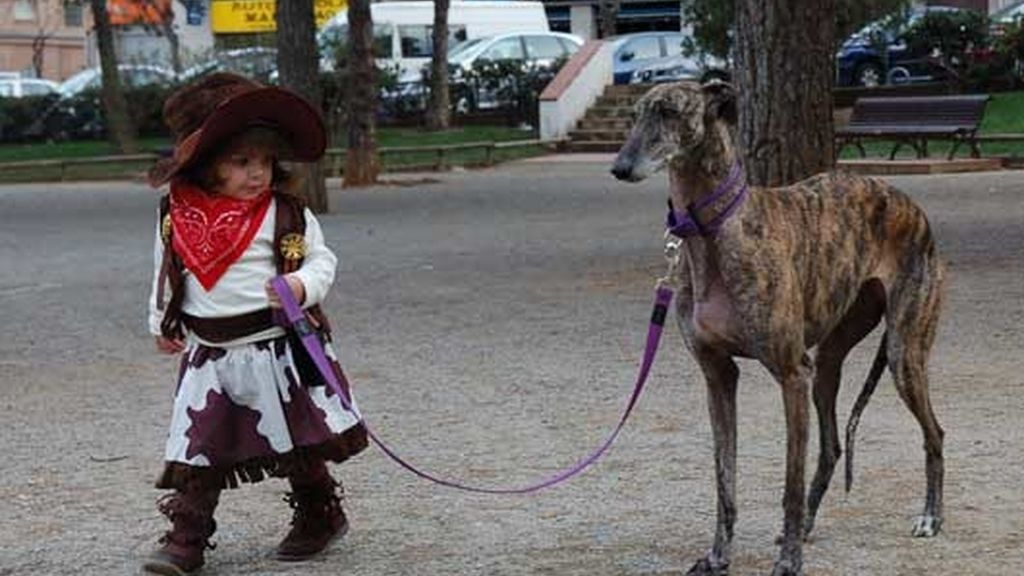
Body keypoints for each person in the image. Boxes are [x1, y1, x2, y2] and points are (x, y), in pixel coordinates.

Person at [143, 72, 367, 575]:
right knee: (200, 448)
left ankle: (320, 514)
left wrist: (301, 286)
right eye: (240, 162)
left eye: (264, 162)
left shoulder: (286, 215)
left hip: (275, 350)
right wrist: (162, 321)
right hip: (211, 357)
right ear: (205, 165)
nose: (256, 174)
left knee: (299, 444)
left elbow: (321, 261)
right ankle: (187, 539)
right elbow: (164, 273)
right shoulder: (176, 215)